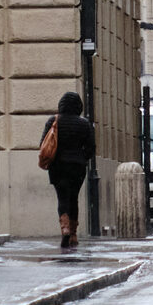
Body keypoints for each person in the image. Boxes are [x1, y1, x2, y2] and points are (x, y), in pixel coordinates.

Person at [42, 92, 95, 250]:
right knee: (73, 198)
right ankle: (73, 234)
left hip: (58, 166)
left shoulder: (54, 121)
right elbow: (91, 148)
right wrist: (82, 158)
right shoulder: (84, 124)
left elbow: (44, 142)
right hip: (77, 167)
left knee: (62, 197)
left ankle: (64, 228)